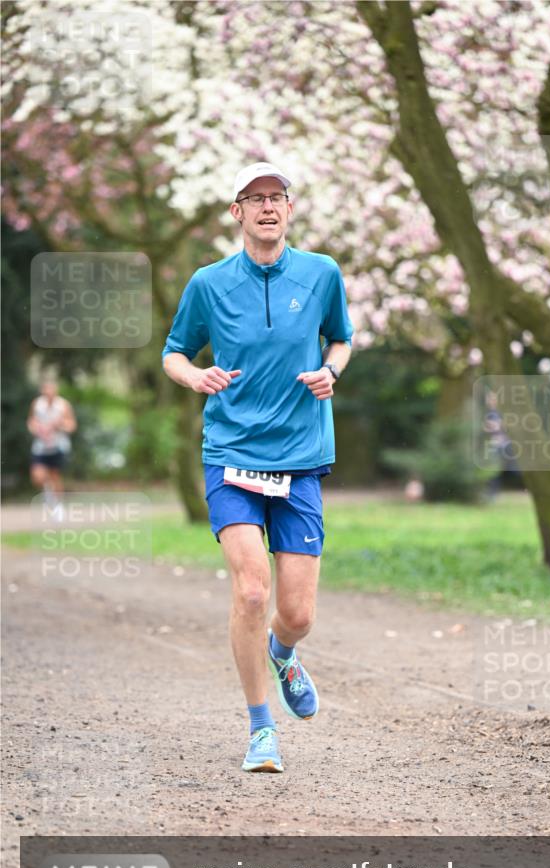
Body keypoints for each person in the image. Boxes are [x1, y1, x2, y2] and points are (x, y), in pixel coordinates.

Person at [162, 161, 353, 774]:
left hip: (300, 457)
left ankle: (284, 651)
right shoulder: (209, 283)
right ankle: (261, 728)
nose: (268, 206)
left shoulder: (321, 274)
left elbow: (341, 338)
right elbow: (173, 353)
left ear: (290, 209)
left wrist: (331, 370)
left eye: (277, 197)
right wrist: (196, 376)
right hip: (232, 454)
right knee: (250, 590)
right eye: (255, 198)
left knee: (298, 615)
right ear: (237, 212)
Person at [27, 379, 77, 519]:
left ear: (56, 390)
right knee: (37, 477)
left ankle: (58, 507)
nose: (49, 392)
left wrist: (58, 425)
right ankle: (48, 492)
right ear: (42, 390)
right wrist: (36, 429)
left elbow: (72, 425)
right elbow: (31, 421)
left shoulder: (63, 405)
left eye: (51, 389)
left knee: (55, 476)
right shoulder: (37, 404)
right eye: (46, 389)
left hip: (58, 446)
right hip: (41, 447)